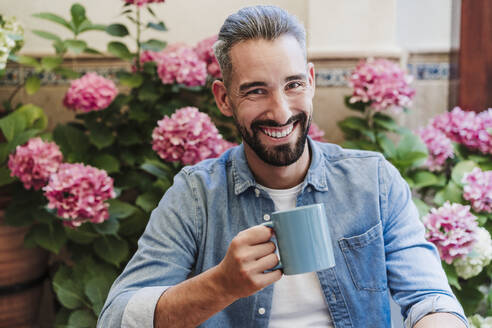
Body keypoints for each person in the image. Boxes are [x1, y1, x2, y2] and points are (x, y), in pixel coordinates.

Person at [98, 5, 468, 328]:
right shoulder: (196, 195)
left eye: (292, 85)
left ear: (310, 82)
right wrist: (220, 285)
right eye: (256, 91)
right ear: (224, 99)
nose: (281, 111)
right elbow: (117, 318)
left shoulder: (373, 181)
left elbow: (431, 298)